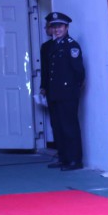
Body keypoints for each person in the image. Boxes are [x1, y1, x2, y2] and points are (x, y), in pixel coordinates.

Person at [40, 12, 85, 171]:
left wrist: (74, 89)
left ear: (66, 27)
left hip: (67, 93)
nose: (57, 30)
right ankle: (63, 157)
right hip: (54, 93)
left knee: (69, 126)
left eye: (60, 26)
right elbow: (47, 70)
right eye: (54, 27)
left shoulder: (71, 45)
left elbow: (79, 71)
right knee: (57, 126)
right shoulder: (51, 46)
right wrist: (44, 87)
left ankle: (74, 160)